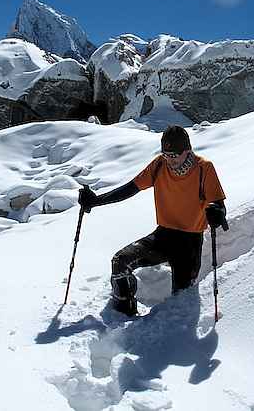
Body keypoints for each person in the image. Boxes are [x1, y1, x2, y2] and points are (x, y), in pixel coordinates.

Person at [78, 125, 227, 316]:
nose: (170, 160)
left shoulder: (204, 168)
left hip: (190, 242)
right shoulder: (159, 165)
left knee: (180, 301)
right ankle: (124, 314)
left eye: (174, 155)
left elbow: (218, 204)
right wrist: (97, 201)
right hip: (163, 235)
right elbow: (131, 188)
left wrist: (216, 212)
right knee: (120, 261)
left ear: (187, 151)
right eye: (166, 154)